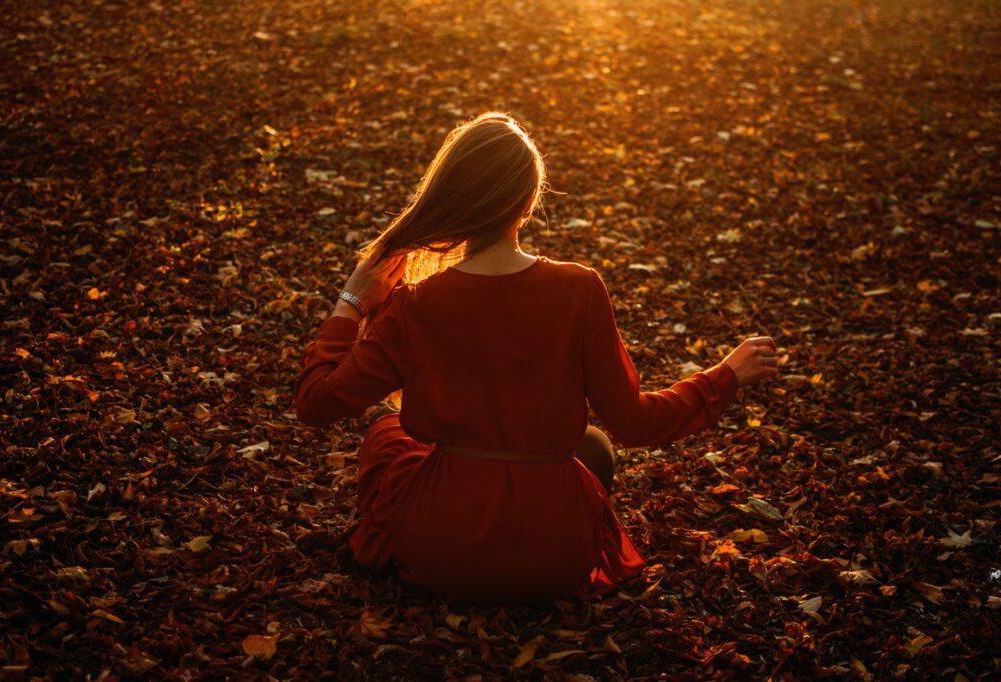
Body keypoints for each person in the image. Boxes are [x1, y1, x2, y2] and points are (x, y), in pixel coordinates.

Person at [294, 112, 778, 604]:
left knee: (388, 431)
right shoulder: (579, 289)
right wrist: (725, 376)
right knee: (591, 447)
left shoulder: (416, 305)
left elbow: (316, 403)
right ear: (527, 202)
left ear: (453, 199)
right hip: (559, 553)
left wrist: (350, 304)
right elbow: (635, 423)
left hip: (442, 550)